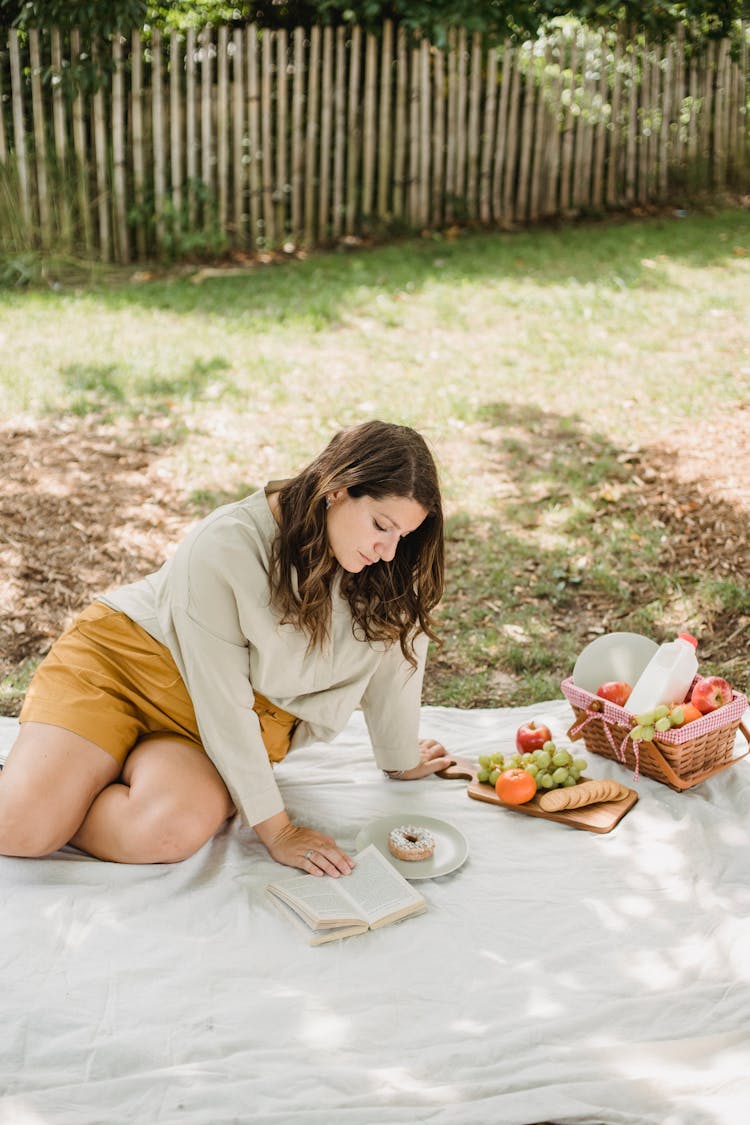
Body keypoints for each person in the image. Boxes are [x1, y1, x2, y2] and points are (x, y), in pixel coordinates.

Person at [0, 420, 451, 875]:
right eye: (381, 525)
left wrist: (400, 759)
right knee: (22, 828)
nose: (390, 550)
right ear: (337, 488)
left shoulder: (389, 563)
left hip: (209, 728)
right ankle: (44, 794)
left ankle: (65, 788)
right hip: (124, 666)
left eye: (403, 535)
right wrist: (279, 831)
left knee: (167, 832)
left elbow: (396, 654)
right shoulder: (225, 543)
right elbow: (223, 699)